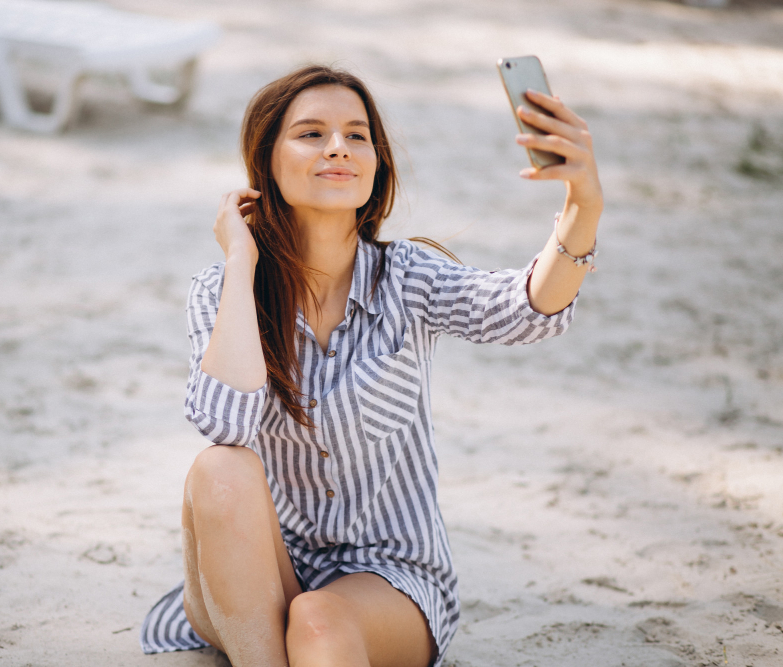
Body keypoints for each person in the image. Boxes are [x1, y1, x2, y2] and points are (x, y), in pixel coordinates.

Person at [140, 64, 603, 667]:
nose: (339, 146)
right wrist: (239, 261)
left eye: (357, 135)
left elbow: (525, 310)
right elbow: (226, 423)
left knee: (317, 620)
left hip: (387, 578)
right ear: (267, 164)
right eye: (311, 134)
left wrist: (583, 203)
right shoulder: (223, 289)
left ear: (376, 163)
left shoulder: (409, 278)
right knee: (218, 469)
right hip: (257, 570)